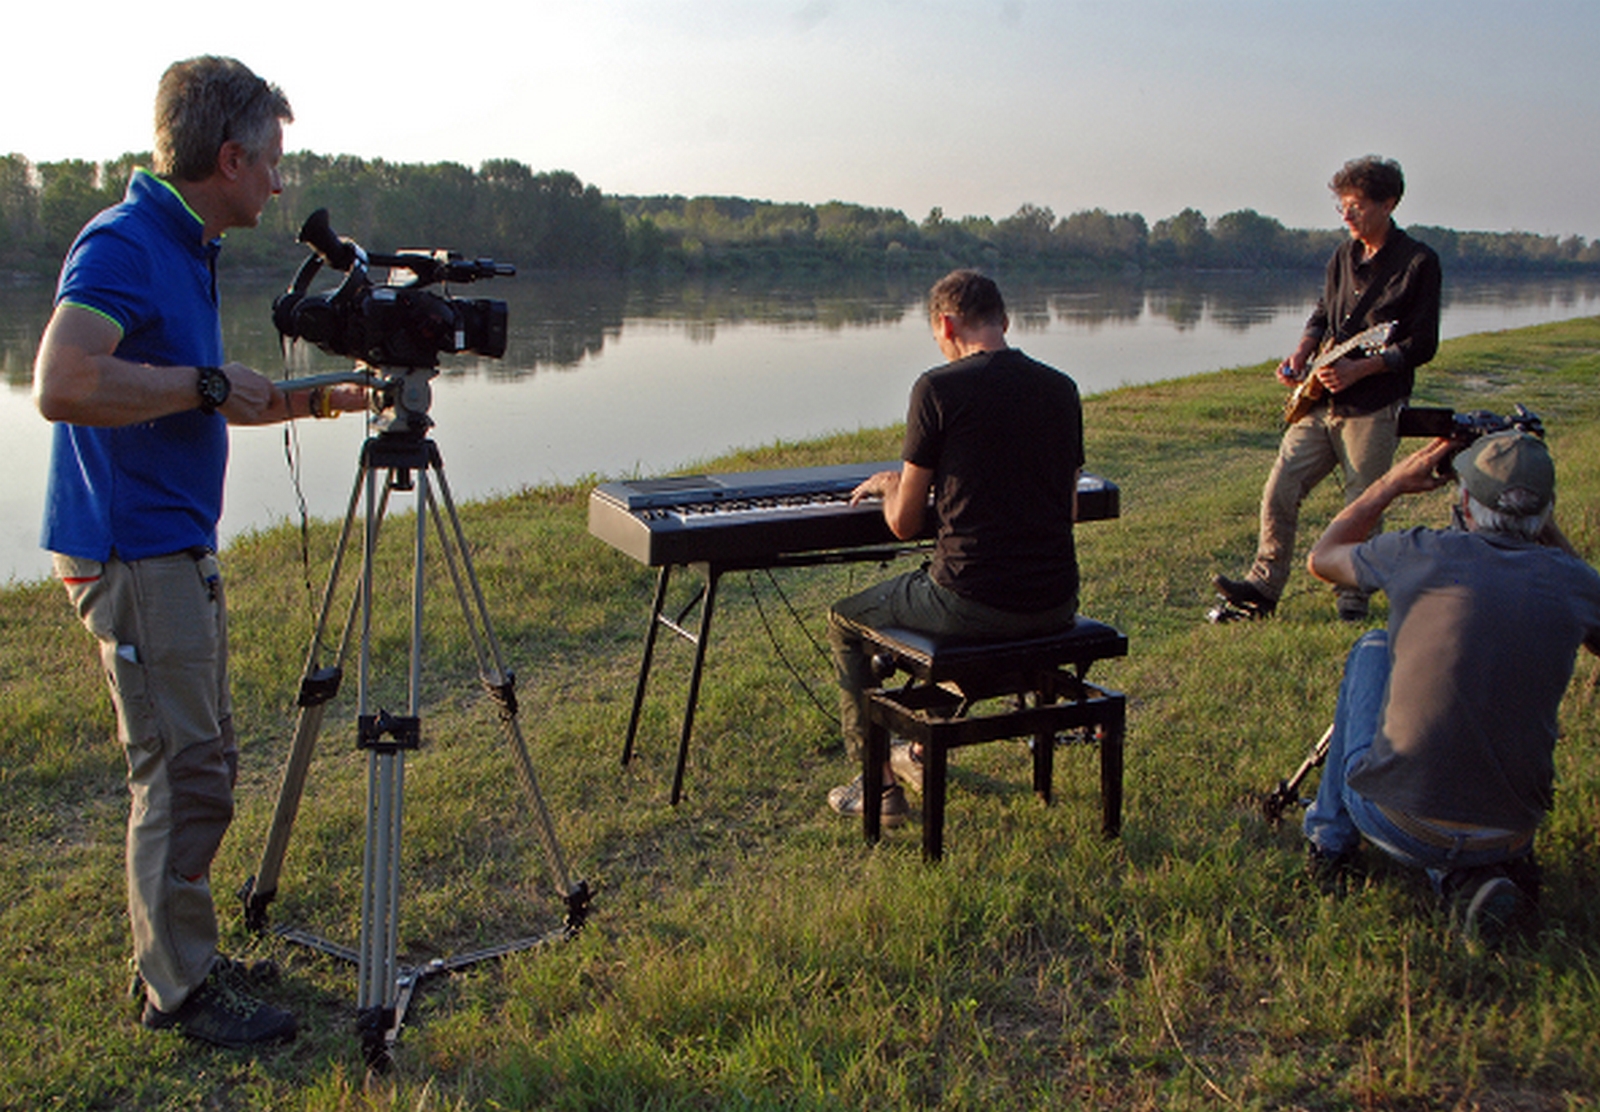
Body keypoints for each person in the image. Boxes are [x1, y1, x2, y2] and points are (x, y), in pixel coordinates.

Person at [33, 56, 364, 1047]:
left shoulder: (187, 246)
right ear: (229, 159)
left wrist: (321, 396)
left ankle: (182, 953)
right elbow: (61, 381)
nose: (279, 182)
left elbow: (202, 396)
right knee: (179, 776)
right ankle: (175, 988)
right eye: (271, 160)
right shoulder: (126, 242)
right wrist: (206, 384)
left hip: (174, 548)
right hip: (132, 553)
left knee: (205, 764)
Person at [1300, 430, 1600, 944]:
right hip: (1510, 834)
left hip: (1396, 821)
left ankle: (1330, 842)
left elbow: (1323, 558)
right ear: (1547, 510)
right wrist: (1543, 526)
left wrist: (1391, 483)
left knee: (1373, 646)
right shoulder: (1574, 582)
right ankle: (1467, 879)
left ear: (1463, 502)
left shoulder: (1422, 552)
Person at [825, 269, 1083, 824]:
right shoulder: (1061, 389)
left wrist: (892, 485)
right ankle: (919, 747)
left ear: (945, 325)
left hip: (972, 602)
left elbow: (903, 523)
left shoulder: (938, 389)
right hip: (1057, 601)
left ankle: (878, 787)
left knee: (845, 621)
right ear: (1004, 321)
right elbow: (1068, 510)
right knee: (947, 604)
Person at [1212, 155, 1441, 623]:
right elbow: (1322, 313)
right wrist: (1302, 353)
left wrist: (1363, 370)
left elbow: (1422, 344)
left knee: (1363, 504)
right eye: (1342, 206)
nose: (1347, 215)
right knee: (1281, 487)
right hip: (1322, 398)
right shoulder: (1342, 256)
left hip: (1375, 405)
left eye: (1356, 206)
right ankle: (1263, 587)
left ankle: (1353, 598)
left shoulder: (1419, 262)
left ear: (1388, 203)